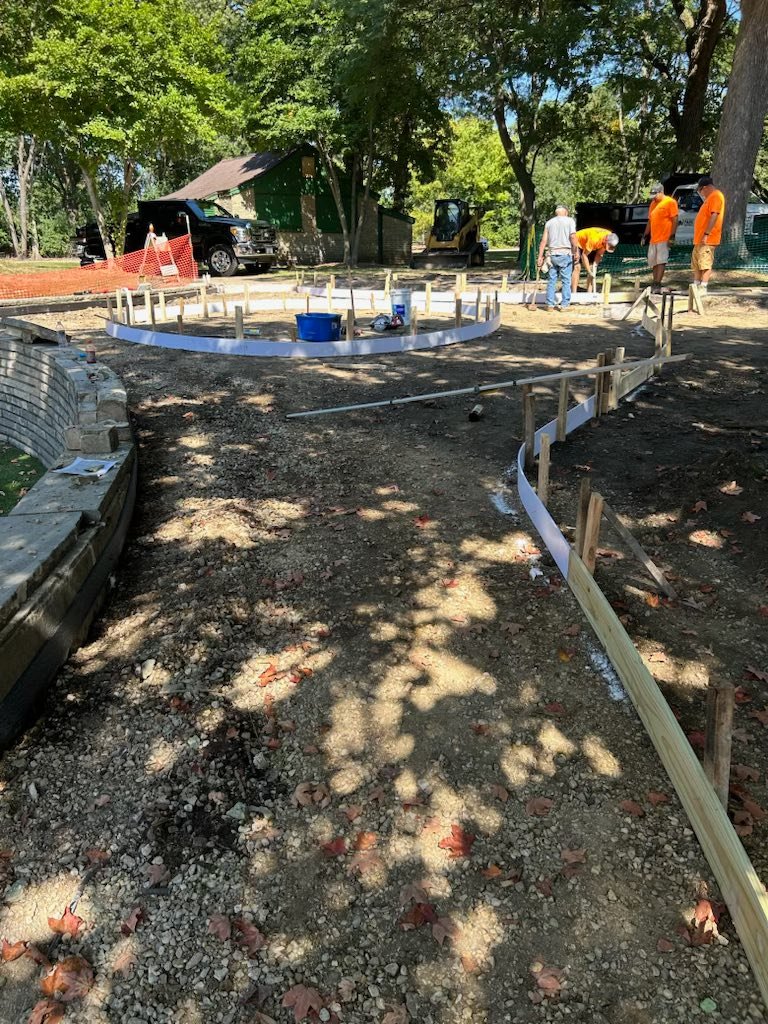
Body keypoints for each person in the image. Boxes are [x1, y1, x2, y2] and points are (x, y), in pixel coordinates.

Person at [537, 204, 578, 311]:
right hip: (565, 253)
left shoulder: (549, 223)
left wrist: (540, 256)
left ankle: (550, 304)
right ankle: (564, 305)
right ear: (566, 212)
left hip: (552, 255)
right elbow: (573, 237)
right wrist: (576, 251)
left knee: (552, 280)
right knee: (566, 280)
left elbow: (544, 241)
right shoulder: (570, 221)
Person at [642, 183, 678, 293]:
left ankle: (658, 283)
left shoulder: (670, 202)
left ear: (661, 192)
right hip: (653, 239)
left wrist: (672, 236)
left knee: (661, 261)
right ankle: (654, 282)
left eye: (655, 195)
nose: (654, 198)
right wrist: (645, 235)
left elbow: (675, 220)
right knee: (653, 262)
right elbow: (650, 221)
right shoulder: (653, 204)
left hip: (664, 238)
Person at [692, 175, 725, 293]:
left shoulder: (716, 196)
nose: (700, 193)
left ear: (705, 187)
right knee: (697, 263)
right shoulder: (709, 198)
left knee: (705, 263)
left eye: (700, 190)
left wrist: (706, 234)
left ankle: (703, 286)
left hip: (708, 238)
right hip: (699, 238)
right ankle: (695, 285)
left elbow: (714, 215)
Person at [572, 228, 619, 293]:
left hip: (588, 245)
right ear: (605, 240)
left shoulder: (610, 237)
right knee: (577, 267)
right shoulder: (594, 239)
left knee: (592, 270)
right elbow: (584, 256)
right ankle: (574, 293)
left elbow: (599, 254)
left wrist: (594, 267)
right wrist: (589, 271)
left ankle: (589, 294)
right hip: (577, 242)